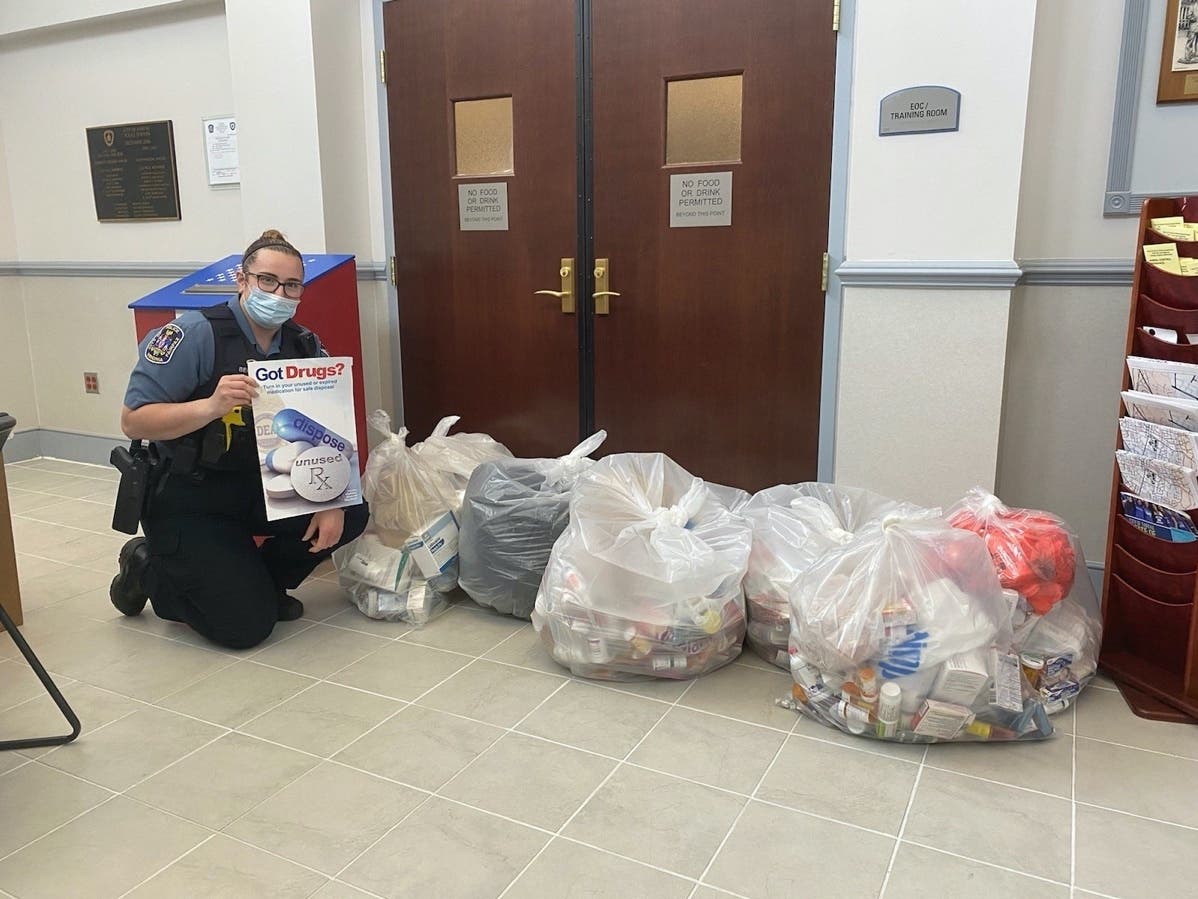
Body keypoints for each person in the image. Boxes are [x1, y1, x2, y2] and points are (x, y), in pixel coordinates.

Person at [109, 229, 368, 649]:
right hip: (191, 495)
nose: (279, 293)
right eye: (267, 280)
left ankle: (258, 587)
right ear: (242, 280)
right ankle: (149, 567)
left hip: (260, 486)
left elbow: (329, 432)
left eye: (291, 285)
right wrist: (210, 406)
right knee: (244, 630)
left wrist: (331, 501)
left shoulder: (304, 346)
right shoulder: (193, 335)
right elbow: (134, 422)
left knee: (351, 511)